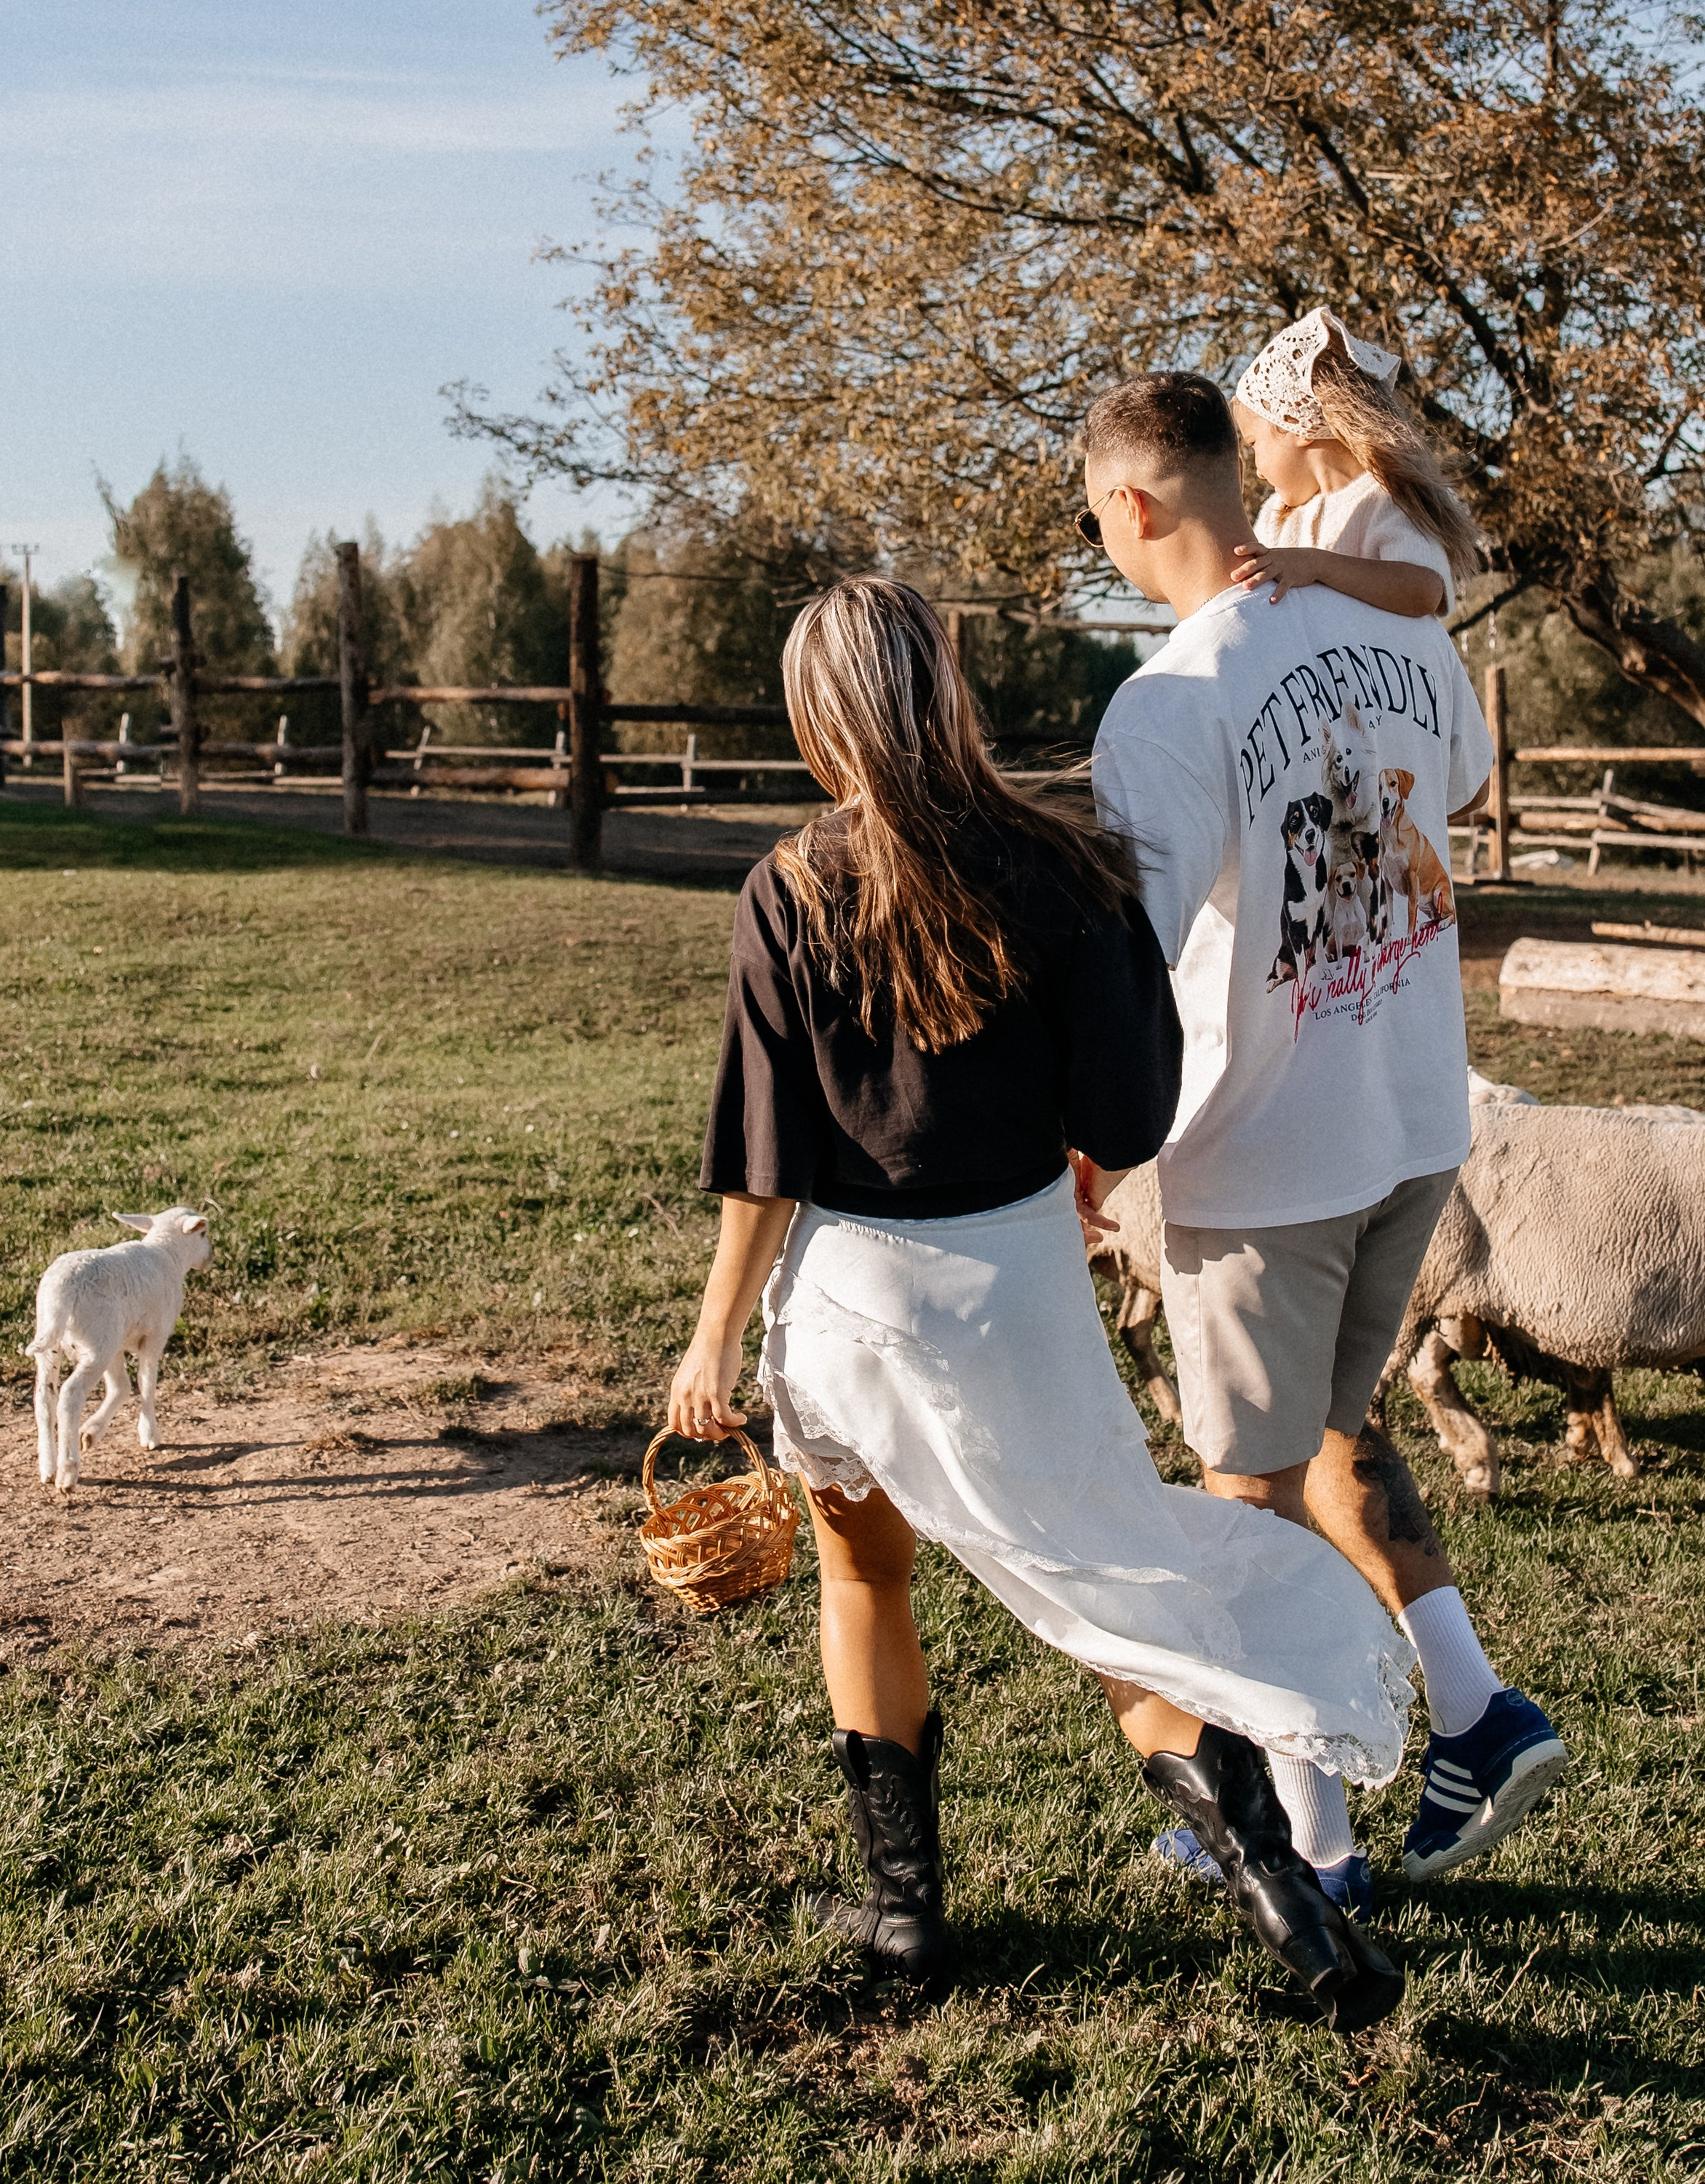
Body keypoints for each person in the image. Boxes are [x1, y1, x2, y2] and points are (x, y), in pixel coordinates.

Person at [668, 576, 1410, 2030]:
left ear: (820, 717)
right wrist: (1061, 1169)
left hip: (854, 1299)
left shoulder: (791, 886)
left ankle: (904, 1925)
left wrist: (708, 1338)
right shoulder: (1072, 868)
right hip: (1019, 1281)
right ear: (948, 691)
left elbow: (765, 1155)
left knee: (863, 1579)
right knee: (1110, 1597)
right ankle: (1294, 1910)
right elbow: (1129, 1115)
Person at [1082, 369, 1566, 1913]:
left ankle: (1318, 1851)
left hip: (1273, 1159)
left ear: (1132, 508)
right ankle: (1477, 1715)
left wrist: (1075, 1141)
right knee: (1329, 1449)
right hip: (1416, 1122)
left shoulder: (1172, 699)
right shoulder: (1407, 635)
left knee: (1247, 1506)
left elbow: (1129, 962)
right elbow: (1460, 784)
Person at [1224, 304, 1485, 622]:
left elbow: (1424, 590)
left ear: (1296, 425)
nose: (1258, 469)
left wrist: (1317, 565)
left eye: (1254, 444)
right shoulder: (1276, 516)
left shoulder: (1385, 499)